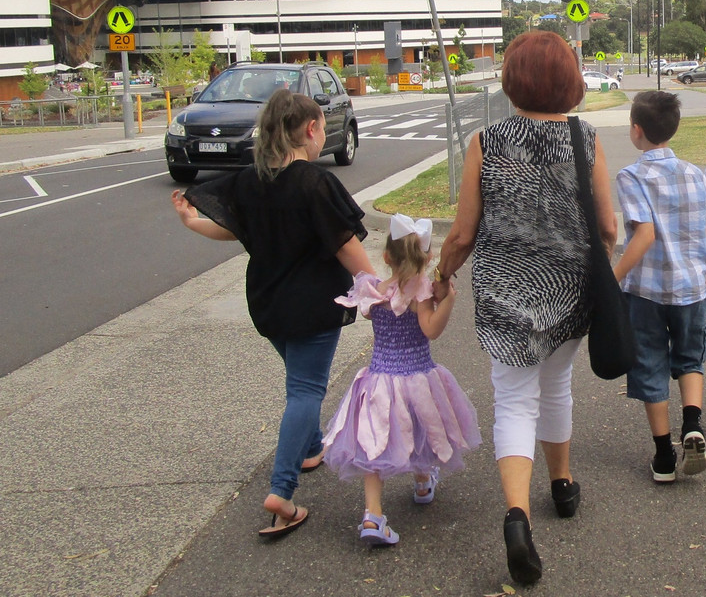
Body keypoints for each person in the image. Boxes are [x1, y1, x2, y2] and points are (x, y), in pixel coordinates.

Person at [433, 31, 617, 586]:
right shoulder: (586, 139)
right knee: (556, 386)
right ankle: (561, 485)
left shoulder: (486, 142)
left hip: (504, 291)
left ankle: (517, 517)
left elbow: (462, 233)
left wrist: (442, 273)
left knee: (513, 400)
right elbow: (608, 227)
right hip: (568, 290)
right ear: (570, 82)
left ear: (512, 81)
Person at [171, 88, 375, 538]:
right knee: (305, 389)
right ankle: (282, 492)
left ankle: (311, 447)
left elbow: (234, 230)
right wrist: (375, 288)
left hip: (267, 304)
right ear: (311, 129)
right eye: (321, 128)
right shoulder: (314, 182)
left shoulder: (251, 181)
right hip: (313, 305)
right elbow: (344, 243)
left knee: (299, 380)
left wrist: (191, 222)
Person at [322, 213, 481, 546]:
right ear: (428, 257)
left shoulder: (375, 291)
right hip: (417, 377)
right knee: (422, 426)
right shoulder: (420, 293)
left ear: (386, 256)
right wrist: (448, 300)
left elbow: (374, 314)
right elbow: (430, 330)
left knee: (374, 442)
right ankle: (422, 482)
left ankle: (373, 515)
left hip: (379, 380)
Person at [612, 90, 706, 482]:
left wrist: (612, 279)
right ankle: (693, 425)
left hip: (647, 292)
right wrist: (702, 268)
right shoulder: (695, 173)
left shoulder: (632, 176)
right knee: (690, 358)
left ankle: (664, 457)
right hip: (691, 287)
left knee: (650, 363)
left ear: (636, 130)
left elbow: (644, 234)